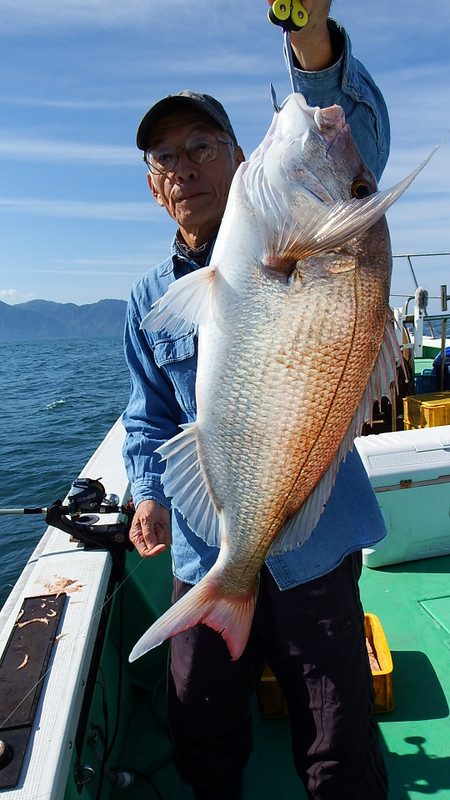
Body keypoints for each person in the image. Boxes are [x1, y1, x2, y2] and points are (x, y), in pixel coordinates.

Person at [122, 3, 390, 798]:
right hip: (208, 550)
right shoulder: (146, 298)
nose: (184, 167)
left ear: (242, 160)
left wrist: (308, 35)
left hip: (316, 546)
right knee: (202, 735)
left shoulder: (316, 229)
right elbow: (149, 413)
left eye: (202, 146)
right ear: (153, 188)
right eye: (165, 157)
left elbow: (338, 117)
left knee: (338, 744)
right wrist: (148, 490)